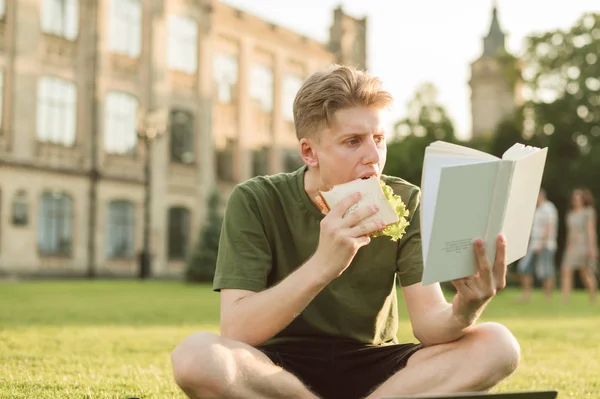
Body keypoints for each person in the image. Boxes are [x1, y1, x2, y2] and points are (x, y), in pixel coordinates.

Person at [170, 65, 520, 399]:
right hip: (277, 369)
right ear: (310, 152)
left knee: (498, 345)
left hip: (378, 367)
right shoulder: (257, 199)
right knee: (196, 356)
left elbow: (429, 326)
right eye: (353, 141)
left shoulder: (406, 200)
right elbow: (238, 330)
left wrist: (464, 309)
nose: (373, 157)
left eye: (378, 138)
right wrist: (323, 265)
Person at [516, 188, 559, 303]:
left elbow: (549, 227)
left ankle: (548, 297)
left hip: (545, 244)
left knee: (546, 271)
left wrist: (542, 243)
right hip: (534, 243)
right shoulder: (537, 210)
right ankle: (526, 295)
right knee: (524, 268)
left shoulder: (548, 208)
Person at [561, 188, 598, 304]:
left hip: (584, 246)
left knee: (585, 273)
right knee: (566, 270)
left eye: (578, 198)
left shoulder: (588, 212)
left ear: (583, 199)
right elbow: (570, 232)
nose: (575, 200)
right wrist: (567, 246)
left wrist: (592, 248)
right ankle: (565, 299)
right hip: (572, 247)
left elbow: (591, 231)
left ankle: (593, 297)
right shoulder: (570, 214)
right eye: (574, 198)